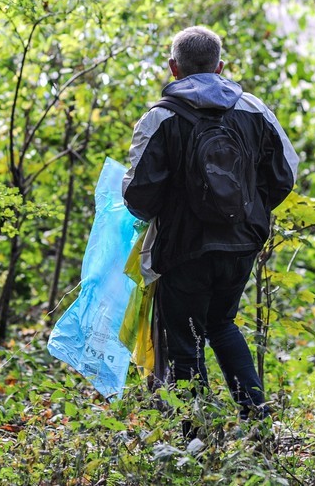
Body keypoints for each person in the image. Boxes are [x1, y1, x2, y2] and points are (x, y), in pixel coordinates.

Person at [122, 26, 299, 421]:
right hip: (241, 243)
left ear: (173, 68)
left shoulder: (160, 118)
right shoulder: (254, 110)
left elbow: (137, 196)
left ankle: (197, 436)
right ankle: (257, 420)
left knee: (184, 339)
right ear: (220, 66)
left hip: (182, 248)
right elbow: (285, 173)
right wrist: (247, 211)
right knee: (222, 323)